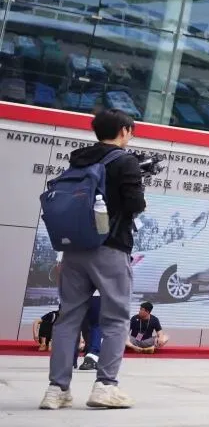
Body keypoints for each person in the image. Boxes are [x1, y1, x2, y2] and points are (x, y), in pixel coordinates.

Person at [40, 109, 146, 410]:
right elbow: (135, 204)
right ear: (124, 131)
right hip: (110, 248)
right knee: (115, 318)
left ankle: (57, 389)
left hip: (74, 249)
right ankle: (105, 386)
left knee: (68, 318)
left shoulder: (79, 159)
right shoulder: (126, 161)